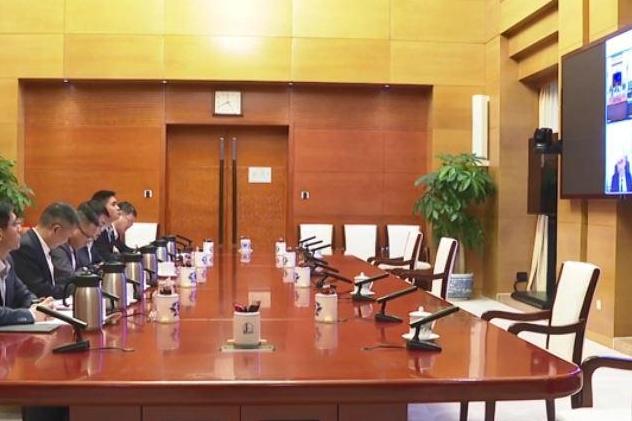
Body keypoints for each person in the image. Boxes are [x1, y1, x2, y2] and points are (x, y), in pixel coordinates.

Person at [0, 201, 55, 325]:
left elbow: (23, 294)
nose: (20, 230)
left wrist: (39, 305)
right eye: (15, 224)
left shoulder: (8, 260)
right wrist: (31, 315)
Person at [10, 202, 79, 299]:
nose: (66, 241)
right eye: (67, 237)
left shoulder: (44, 246)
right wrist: (76, 289)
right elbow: (39, 289)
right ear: (56, 229)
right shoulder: (26, 247)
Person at [51, 202, 100, 282]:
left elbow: (83, 270)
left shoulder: (75, 247)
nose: (88, 242)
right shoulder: (59, 247)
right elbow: (68, 279)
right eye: (88, 237)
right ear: (75, 228)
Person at [75, 199, 109, 267]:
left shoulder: (91, 243)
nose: (101, 230)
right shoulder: (76, 243)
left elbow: (99, 262)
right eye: (100, 225)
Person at [91, 190, 120, 262]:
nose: (118, 208)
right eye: (113, 204)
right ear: (102, 208)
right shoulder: (95, 231)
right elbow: (103, 257)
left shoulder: (109, 229)